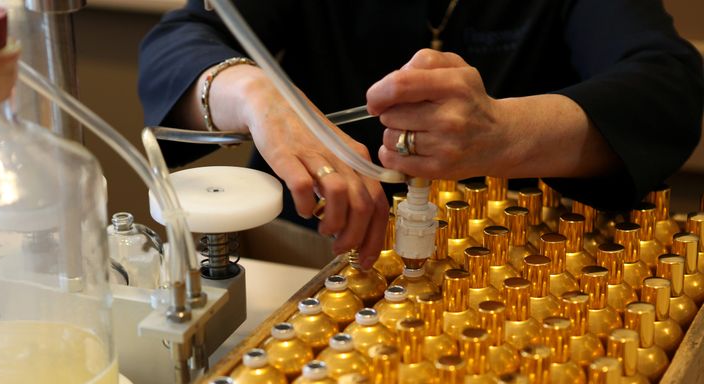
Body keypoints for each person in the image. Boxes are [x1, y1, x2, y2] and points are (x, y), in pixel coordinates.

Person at [138, 0, 704, 268]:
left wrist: (506, 134)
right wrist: (260, 97)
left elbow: (669, 85)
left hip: (507, 264)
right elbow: (181, 40)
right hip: (310, 253)